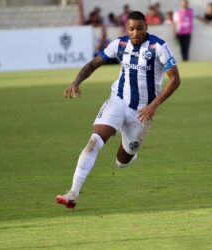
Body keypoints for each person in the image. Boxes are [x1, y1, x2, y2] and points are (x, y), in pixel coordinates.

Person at [56, 11, 181, 209]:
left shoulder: (158, 46)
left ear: (146, 27)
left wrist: (154, 105)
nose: (135, 32)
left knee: (122, 161)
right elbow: (93, 64)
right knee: (94, 141)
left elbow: (175, 79)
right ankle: (73, 193)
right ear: (126, 29)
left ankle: (130, 151)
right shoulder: (120, 44)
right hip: (118, 101)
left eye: (139, 28)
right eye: (131, 28)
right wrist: (77, 81)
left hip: (142, 112)